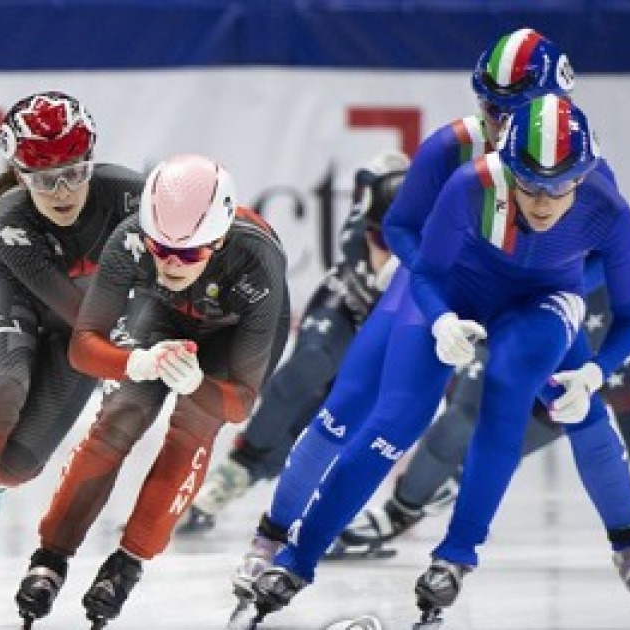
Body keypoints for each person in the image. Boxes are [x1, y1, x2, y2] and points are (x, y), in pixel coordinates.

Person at [239, 96, 630, 630]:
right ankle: (295, 556)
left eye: (559, 186)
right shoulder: (469, 180)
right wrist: (443, 320)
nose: (543, 202)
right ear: (508, 166)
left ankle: (460, 553)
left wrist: (594, 372)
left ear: (583, 176)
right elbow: (423, 270)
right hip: (457, 290)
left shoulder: (606, 206)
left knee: (508, 391)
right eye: (531, 185)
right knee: (394, 420)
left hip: (541, 301)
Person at [224, 27, 575, 607]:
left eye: (506, 108)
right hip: (426, 294)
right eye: (485, 102)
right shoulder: (450, 146)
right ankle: (272, 537)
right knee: (348, 415)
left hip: (501, 297)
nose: (491, 117)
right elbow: (400, 227)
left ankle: (440, 533)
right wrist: (425, 281)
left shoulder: (574, 161)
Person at [10, 154, 291, 629]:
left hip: (234, 329)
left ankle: (128, 561)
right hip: (162, 312)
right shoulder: (131, 241)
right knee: (120, 414)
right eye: (160, 248)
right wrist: (132, 362)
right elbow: (83, 347)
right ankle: (50, 556)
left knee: (194, 427)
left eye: (187, 254)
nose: (170, 262)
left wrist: (198, 382)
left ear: (218, 240)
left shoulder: (257, 266)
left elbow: (239, 403)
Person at [0, 91, 146, 627]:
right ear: (19, 175)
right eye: (44, 179)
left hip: (75, 325)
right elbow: (80, 314)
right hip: (13, 292)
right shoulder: (10, 216)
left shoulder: (132, 197)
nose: (62, 190)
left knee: (17, 466)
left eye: (74, 172)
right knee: (2, 391)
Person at [335, 256, 630, 577]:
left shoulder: (609, 340)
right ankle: (403, 509)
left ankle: (453, 480)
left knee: (530, 426)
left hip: (591, 347)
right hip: (538, 311)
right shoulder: (535, 287)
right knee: (461, 418)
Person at [176, 150, 409, 534]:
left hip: (389, 333)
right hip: (347, 302)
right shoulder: (363, 223)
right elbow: (374, 175)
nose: (384, 249)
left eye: (398, 241)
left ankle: (258, 479)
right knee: (303, 371)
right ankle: (234, 472)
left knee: (326, 418)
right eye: (378, 235)